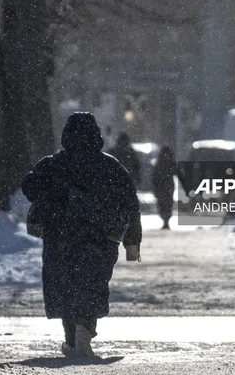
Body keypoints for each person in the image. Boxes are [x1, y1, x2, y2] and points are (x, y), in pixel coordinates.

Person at [21, 112, 142, 358]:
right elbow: (130, 202)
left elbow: (29, 186)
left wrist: (54, 197)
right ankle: (84, 332)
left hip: (60, 236)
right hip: (100, 238)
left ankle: (71, 339)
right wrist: (132, 241)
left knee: (65, 286)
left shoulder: (53, 164)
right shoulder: (109, 165)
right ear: (96, 134)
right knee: (93, 284)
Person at [152, 146, 185, 230]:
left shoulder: (171, 164)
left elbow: (179, 175)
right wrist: (155, 188)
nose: (166, 155)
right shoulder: (159, 164)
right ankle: (164, 220)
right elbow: (154, 177)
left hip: (169, 187)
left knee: (168, 204)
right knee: (161, 205)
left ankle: (166, 220)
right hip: (160, 188)